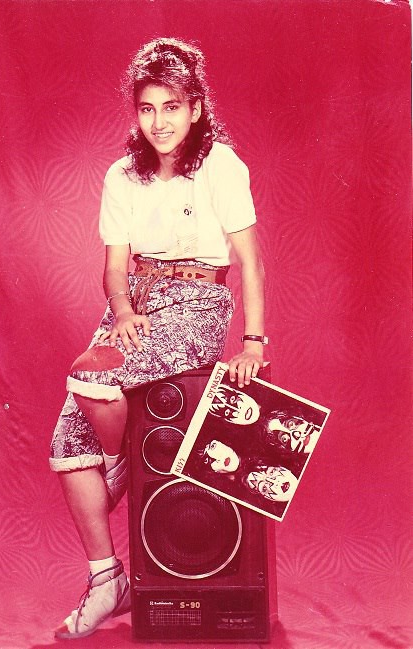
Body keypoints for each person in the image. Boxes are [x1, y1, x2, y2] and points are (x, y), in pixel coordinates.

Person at [49, 37, 266, 639]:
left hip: (198, 306)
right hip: (135, 308)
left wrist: (254, 341)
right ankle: (106, 580)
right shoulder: (122, 175)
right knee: (67, 442)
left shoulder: (221, 165)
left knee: (95, 380)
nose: (159, 122)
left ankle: (119, 463)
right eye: (147, 108)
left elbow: (250, 262)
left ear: (195, 107)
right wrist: (121, 309)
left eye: (171, 106)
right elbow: (114, 266)